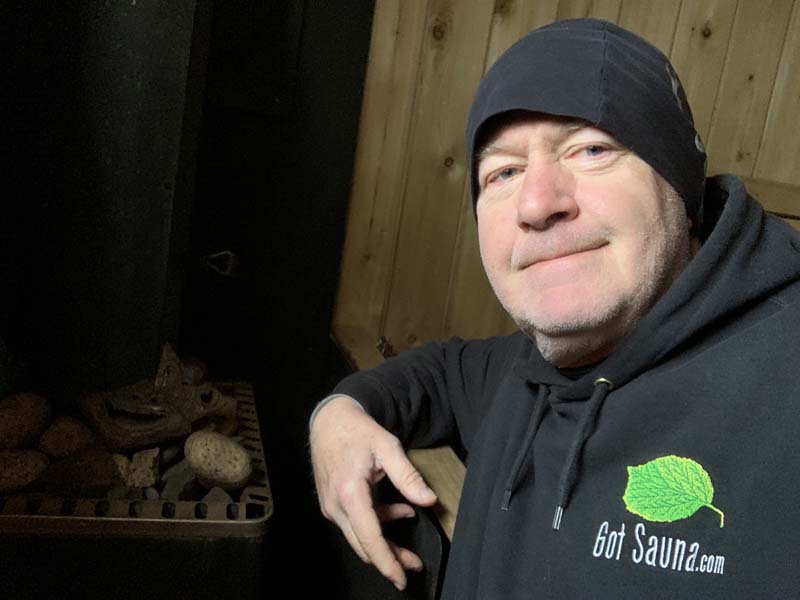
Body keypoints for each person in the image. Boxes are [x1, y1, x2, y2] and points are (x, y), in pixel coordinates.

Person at [310, 18, 800, 599]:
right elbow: (441, 372)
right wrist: (336, 416)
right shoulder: (529, 369)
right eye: (504, 172)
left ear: (680, 186)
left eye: (591, 149)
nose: (537, 204)